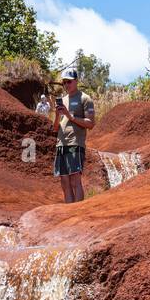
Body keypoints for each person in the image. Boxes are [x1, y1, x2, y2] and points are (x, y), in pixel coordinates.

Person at [51, 68, 95, 202]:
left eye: (69, 82)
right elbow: (55, 128)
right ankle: (70, 212)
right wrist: (58, 115)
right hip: (61, 143)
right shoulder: (62, 100)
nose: (66, 85)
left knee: (75, 180)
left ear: (76, 81)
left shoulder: (85, 98)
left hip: (75, 143)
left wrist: (70, 116)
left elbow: (91, 123)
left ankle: (79, 212)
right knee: (64, 182)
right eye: (64, 82)